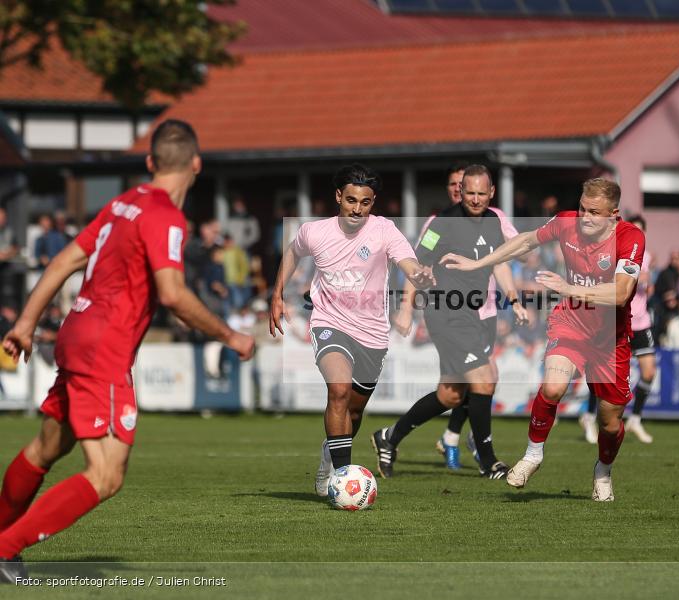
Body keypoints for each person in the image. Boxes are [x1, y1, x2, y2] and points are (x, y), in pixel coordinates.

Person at [0, 120, 255, 583]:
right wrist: (231, 336)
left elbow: (63, 261)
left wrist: (24, 321)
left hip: (75, 333)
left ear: (150, 162)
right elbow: (173, 293)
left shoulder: (121, 204)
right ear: (196, 164)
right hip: (104, 349)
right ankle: (4, 549)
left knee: (46, 447)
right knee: (106, 474)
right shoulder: (166, 218)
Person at [441, 177, 645, 502]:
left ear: (613, 214)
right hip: (571, 324)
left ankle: (603, 470)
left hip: (611, 340)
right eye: (582, 208)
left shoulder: (630, 237)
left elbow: (621, 293)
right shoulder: (567, 222)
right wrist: (479, 263)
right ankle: (533, 454)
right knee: (552, 387)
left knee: (609, 423)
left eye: (594, 212)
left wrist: (568, 288)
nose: (585, 217)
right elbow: (525, 241)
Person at [269, 164, 434, 497]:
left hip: (372, 334)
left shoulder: (385, 230)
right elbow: (292, 252)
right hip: (329, 323)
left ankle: (329, 457)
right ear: (338, 197)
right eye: (351, 200)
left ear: (373, 203)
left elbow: (408, 262)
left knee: (354, 411)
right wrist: (277, 292)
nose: (357, 209)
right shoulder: (314, 232)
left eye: (365, 202)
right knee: (339, 391)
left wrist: (419, 275)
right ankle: (342, 479)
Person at [372, 165, 527, 480]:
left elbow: (499, 264)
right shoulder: (442, 222)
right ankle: (489, 463)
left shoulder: (495, 221)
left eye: (481, 193)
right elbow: (415, 265)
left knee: (451, 395)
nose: (474, 198)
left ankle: (390, 436)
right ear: (460, 191)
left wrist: (513, 300)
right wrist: (405, 308)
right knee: (484, 379)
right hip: (446, 313)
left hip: (472, 315)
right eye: (468, 192)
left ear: (492, 193)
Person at [621, 215, 656, 445]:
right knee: (608, 377)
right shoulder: (620, 253)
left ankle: (635, 419)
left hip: (641, 322)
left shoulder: (648, 256)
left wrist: (647, 281)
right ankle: (591, 417)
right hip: (621, 321)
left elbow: (647, 285)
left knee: (649, 373)